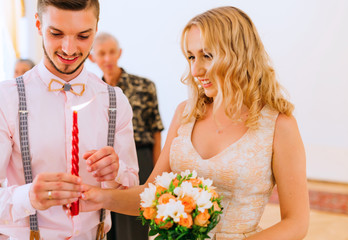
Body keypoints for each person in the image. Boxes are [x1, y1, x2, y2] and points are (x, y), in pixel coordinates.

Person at [81, 6, 310, 240]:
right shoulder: (186, 114)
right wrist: (94, 196)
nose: (195, 69)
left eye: (207, 56)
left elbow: (296, 222)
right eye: (191, 56)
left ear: (238, 53)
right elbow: (149, 197)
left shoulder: (279, 125)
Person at [0, 0, 139, 239]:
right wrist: (28, 197)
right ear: (38, 24)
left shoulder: (114, 101)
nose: (69, 48)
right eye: (56, 33)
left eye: (83, 36)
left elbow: (133, 189)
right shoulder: (7, 99)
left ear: (96, 28)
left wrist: (116, 174)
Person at [89, 32, 164, 240]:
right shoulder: (93, 92)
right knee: (109, 220)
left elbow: (156, 129)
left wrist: (158, 170)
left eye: (111, 52)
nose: (107, 58)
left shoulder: (145, 86)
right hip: (106, 163)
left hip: (142, 156)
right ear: (92, 57)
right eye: (101, 53)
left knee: (136, 221)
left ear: (119, 53)